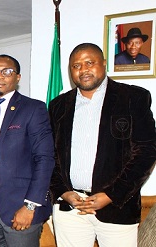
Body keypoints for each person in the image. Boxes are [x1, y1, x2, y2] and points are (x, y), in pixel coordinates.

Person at [49, 43, 156, 247]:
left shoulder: (133, 98)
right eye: (76, 65)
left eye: (90, 62)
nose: (83, 70)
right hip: (71, 209)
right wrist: (63, 191)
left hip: (117, 207)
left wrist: (110, 195)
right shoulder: (58, 106)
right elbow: (50, 154)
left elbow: (146, 153)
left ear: (104, 63)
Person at [0, 54, 55, 247]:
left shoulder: (33, 109)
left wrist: (30, 206)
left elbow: (44, 159)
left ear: (17, 77)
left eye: (7, 71)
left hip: (21, 206)